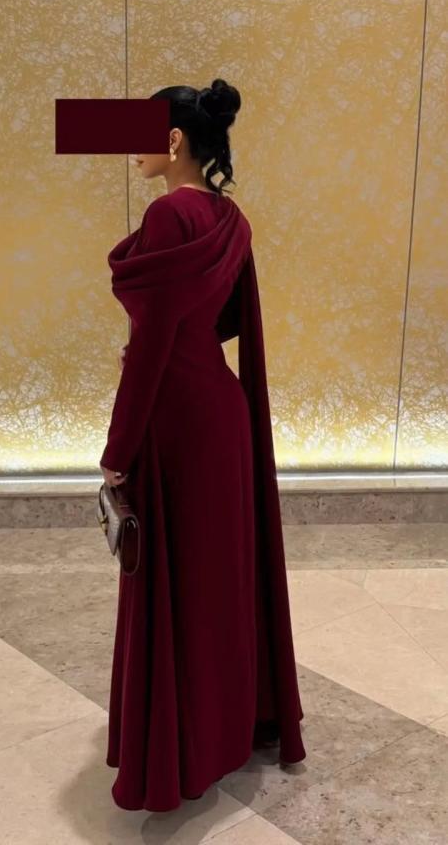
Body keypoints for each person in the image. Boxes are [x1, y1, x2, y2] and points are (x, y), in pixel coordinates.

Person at [100, 79, 305, 812]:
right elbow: (225, 320)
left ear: (174, 140)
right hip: (223, 412)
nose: (132, 151)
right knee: (216, 582)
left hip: (177, 421)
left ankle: (179, 750)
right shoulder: (230, 218)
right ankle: (224, 729)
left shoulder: (168, 215)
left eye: (141, 136)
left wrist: (117, 449)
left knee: (175, 583)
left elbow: (154, 342)